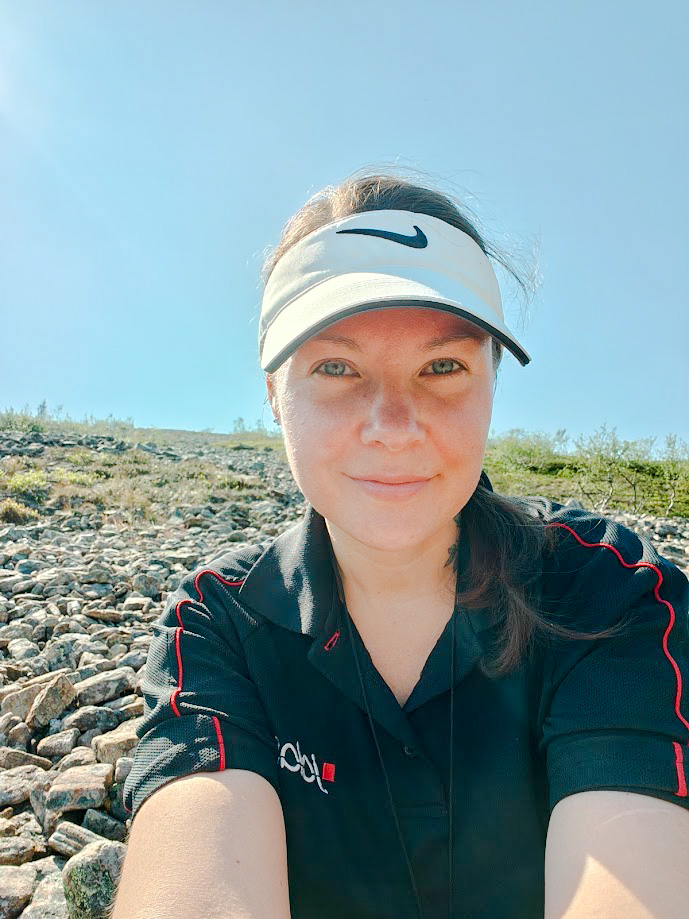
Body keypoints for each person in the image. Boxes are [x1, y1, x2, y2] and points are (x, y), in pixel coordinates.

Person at [112, 170, 689, 919]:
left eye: (442, 366)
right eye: (336, 367)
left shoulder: (601, 589)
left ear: (491, 382)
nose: (392, 425)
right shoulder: (222, 622)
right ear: (274, 393)